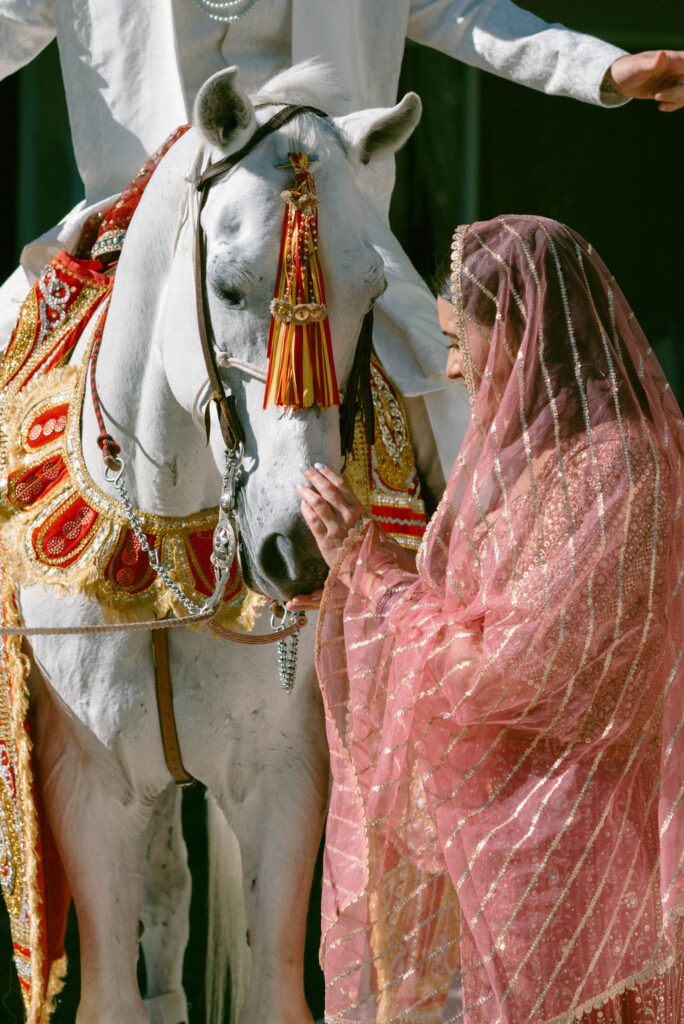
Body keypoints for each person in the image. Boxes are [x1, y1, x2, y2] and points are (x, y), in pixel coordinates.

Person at [1, 2, 684, 496]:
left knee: (464, 433)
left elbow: (468, 13)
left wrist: (607, 68)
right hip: (137, 234)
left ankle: (469, 650)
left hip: (325, 232)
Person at [289, 215, 684, 1022]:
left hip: (571, 848)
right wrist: (353, 587)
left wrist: (367, 568)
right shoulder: (526, 458)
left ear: (522, 331)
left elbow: (501, 669)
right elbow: (467, 618)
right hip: (500, 844)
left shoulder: (620, 467)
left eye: (461, 340)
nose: (453, 366)